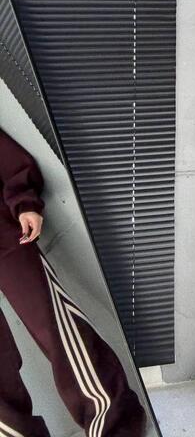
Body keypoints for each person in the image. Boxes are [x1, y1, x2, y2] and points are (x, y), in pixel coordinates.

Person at [0, 126, 147, 437]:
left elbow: (11, 161)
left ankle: (114, 422)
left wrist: (25, 201)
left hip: (4, 233)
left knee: (54, 322)